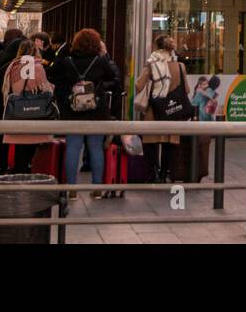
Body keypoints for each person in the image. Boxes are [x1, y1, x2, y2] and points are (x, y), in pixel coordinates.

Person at [51, 28, 122, 197]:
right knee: (96, 148)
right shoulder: (100, 61)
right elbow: (115, 79)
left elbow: (54, 78)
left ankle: (71, 190)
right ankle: (96, 189)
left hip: (73, 110)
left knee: (73, 148)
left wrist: (70, 89)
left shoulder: (67, 61)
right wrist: (99, 87)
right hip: (96, 110)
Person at [134, 35, 189, 181]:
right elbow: (187, 90)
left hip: (155, 110)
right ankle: (165, 173)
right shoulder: (180, 66)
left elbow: (139, 85)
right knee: (169, 143)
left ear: (156, 47)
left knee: (151, 143)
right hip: (173, 111)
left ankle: (154, 173)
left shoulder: (152, 64)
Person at [0, 40, 54, 174]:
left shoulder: (13, 66)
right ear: (34, 51)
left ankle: (20, 170)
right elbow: (46, 89)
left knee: (19, 144)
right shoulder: (38, 67)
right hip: (36, 111)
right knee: (32, 142)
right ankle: (28, 168)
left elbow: (8, 88)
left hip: (18, 110)